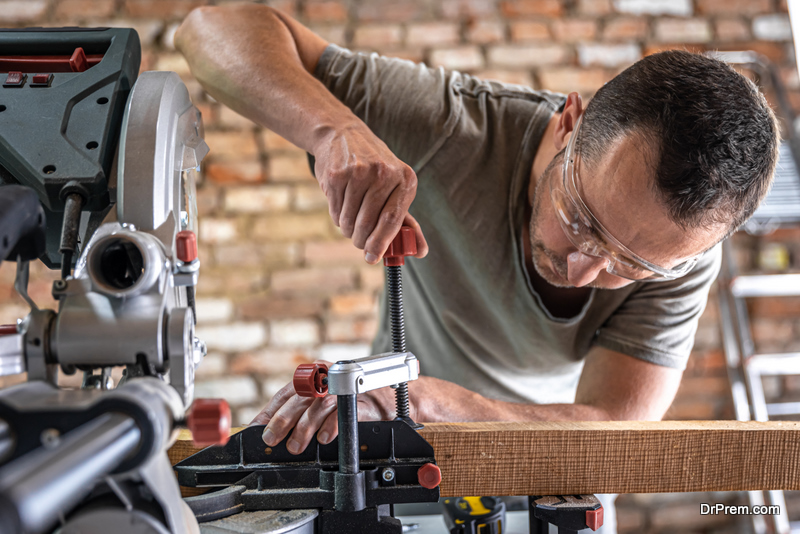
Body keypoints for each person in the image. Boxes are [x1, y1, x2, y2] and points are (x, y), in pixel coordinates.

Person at [176, 4, 778, 531]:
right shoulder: (451, 127)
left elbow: (611, 435)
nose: (584, 269)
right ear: (571, 121)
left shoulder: (683, 257)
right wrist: (334, 129)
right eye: (582, 219)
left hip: (550, 470)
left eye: (631, 264)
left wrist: (433, 401)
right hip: (396, 450)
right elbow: (210, 28)